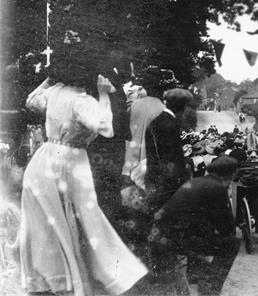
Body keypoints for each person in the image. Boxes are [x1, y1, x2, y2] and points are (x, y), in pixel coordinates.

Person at [21, 75, 148, 296]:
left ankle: (54, 278)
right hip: (70, 161)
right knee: (84, 217)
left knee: (49, 220)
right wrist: (103, 94)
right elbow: (106, 129)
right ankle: (91, 276)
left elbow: (31, 100)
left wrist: (50, 78)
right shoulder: (83, 100)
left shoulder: (55, 91)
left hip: (45, 158)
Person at [151, 155, 240, 296]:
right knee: (231, 243)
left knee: (200, 233)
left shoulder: (197, 181)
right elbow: (226, 227)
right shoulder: (217, 187)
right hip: (175, 240)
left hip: (160, 235)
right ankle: (209, 289)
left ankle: (195, 276)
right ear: (232, 173)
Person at [145, 88, 192, 211]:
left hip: (160, 179)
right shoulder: (168, 124)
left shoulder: (160, 119)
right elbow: (168, 156)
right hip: (167, 183)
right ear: (182, 107)